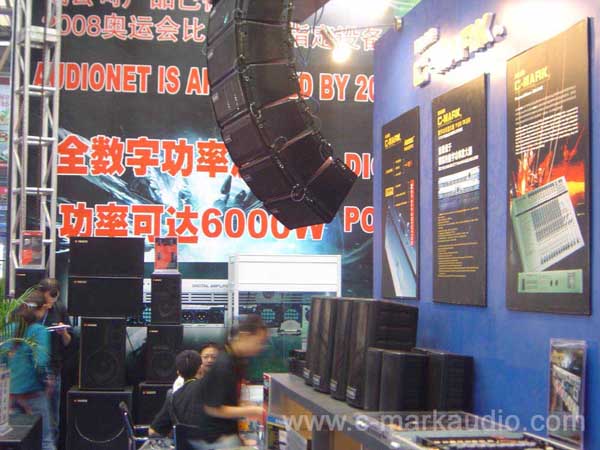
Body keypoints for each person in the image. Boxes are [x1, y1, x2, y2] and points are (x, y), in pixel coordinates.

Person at [197, 314, 268, 449]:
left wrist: (240, 439)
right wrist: (252, 411)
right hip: (215, 440)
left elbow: (229, 401)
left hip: (226, 436)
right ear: (245, 336)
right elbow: (212, 408)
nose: (260, 347)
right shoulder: (224, 365)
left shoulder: (236, 361)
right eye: (259, 342)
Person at [1, 290, 55, 450]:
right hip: (34, 394)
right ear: (39, 309)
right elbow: (41, 362)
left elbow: (2, 361)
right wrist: (47, 381)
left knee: (13, 441)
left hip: (11, 395)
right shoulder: (39, 331)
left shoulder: (8, 330)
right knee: (45, 440)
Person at [37, 278, 72, 445]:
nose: (52, 301)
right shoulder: (33, 310)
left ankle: (52, 444)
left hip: (54, 368)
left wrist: (63, 332)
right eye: (50, 296)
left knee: (52, 418)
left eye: (55, 296)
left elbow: (68, 342)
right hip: (35, 368)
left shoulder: (60, 308)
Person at [149, 349, 204, 437]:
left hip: (183, 443)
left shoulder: (172, 397)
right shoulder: (214, 390)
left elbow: (153, 432)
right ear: (200, 369)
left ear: (179, 373)